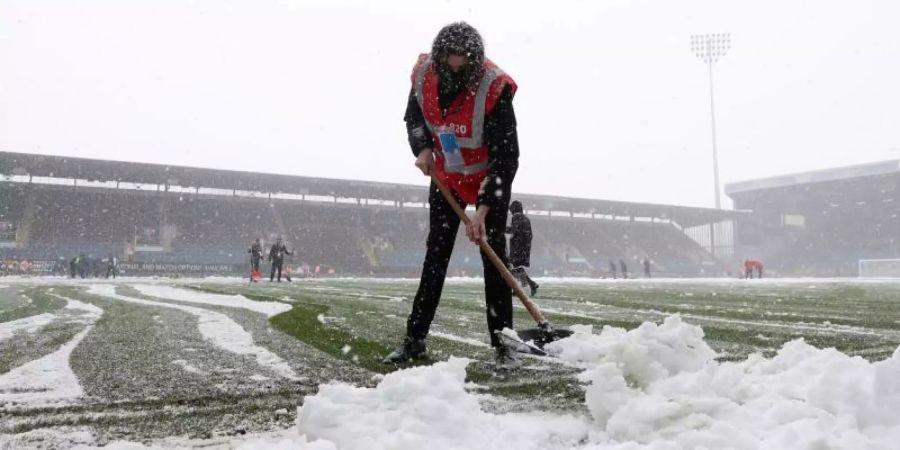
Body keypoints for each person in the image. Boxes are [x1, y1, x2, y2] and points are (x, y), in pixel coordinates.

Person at [384, 22, 520, 366]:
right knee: (436, 257)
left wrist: (484, 210)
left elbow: (506, 157)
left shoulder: (494, 87)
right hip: (446, 177)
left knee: (494, 260)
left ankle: (504, 344)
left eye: (463, 63)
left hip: (488, 179)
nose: (455, 68)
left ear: (474, 61)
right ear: (440, 57)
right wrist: (422, 148)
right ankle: (415, 339)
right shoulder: (423, 75)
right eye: (450, 61)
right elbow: (413, 116)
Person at [507, 200, 539, 296]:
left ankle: (518, 288)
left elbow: (514, 230)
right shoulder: (525, 218)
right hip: (524, 247)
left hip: (518, 247)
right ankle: (531, 284)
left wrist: (502, 229)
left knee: (510, 267)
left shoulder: (516, 217)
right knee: (515, 267)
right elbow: (528, 235)